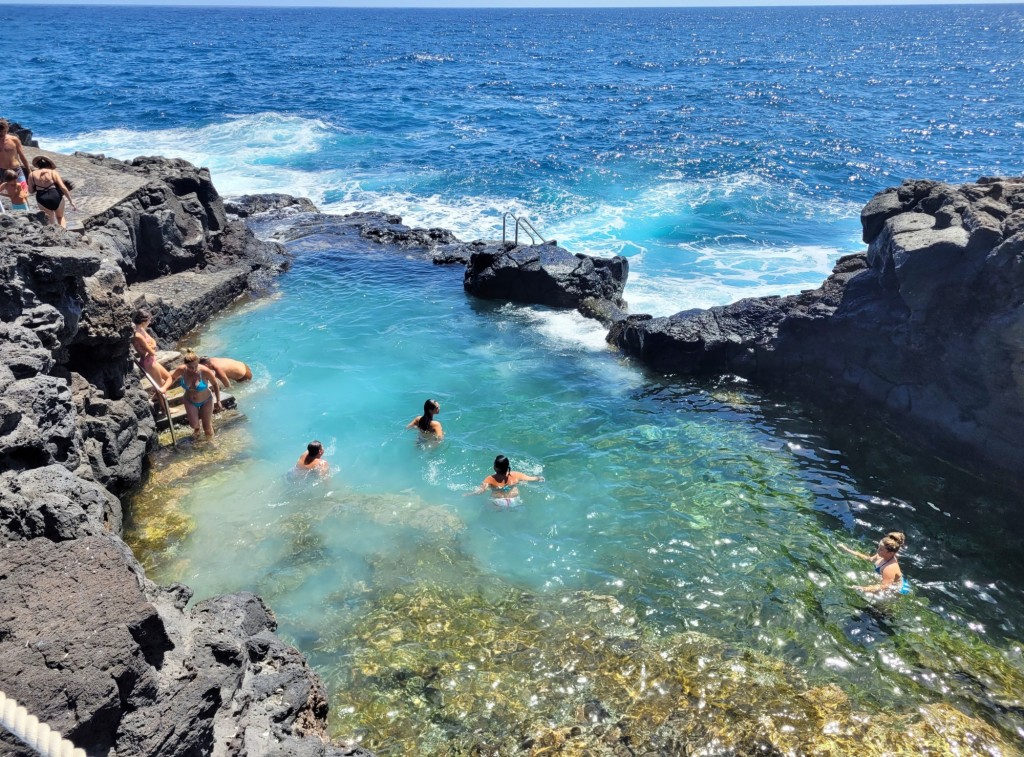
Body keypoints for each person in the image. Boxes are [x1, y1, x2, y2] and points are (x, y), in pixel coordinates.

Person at [159, 348, 222, 440]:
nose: (193, 369)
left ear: (198, 363)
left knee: (207, 427)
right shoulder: (182, 370)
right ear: (186, 365)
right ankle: (198, 434)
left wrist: (218, 400)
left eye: (195, 366)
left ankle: (211, 444)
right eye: (190, 367)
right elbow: (172, 378)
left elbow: (215, 384)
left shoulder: (205, 371)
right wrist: (164, 388)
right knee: (194, 425)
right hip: (189, 400)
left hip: (206, 400)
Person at [838, 531, 910, 595]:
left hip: (898, 589)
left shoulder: (889, 568)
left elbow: (883, 587)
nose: (878, 550)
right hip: (888, 578)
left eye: (881, 549)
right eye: (879, 547)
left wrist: (862, 588)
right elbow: (869, 559)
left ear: (890, 553)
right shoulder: (881, 555)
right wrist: (847, 550)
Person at [466, 454, 544, 508]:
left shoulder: (489, 479)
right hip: (514, 500)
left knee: (485, 507)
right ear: (507, 467)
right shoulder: (516, 475)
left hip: (498, 502)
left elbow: (480, 491)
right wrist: (540, 478)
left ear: (495, 467)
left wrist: (469, 494)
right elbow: (532, 479)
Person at [27, 155, 76, 228]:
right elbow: (63, 187)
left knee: (50, 220)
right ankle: (63, 232)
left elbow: (30, 191)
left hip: (42, 198)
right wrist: (71, 201)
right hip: (55, 196)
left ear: (38, 165)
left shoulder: (32, 174)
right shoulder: (53, 172)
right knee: (60, 217)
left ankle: (54, 233)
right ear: (49, 165)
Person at [131, 309, 172, 389]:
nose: (150, 322)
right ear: (143, 322)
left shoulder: (142, 330)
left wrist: (151, 347)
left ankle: (159, 394)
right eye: (149, 320)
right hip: (148, 362)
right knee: (160, 385)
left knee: (167, 378)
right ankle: (162, 394)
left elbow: (153, 341)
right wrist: (152, 347)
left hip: (150, 359)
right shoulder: (137, 335)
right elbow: (152, 352)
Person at [0, 119, 29, 186]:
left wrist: (29, 171)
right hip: (2, 171)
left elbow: (22, 156)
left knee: (23, 188)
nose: (2, 134)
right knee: (6, 191)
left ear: (7, 129)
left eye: (4, 131)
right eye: (0, 132)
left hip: (16, 170)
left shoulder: (14, 140)